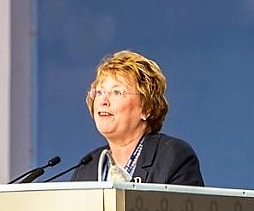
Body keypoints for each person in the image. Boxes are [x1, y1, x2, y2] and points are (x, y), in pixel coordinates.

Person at [71, 49, 204, 185]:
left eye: (117, 92)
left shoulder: (173, 157)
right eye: (99, 92)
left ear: (147, 108)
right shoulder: (86, 168)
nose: (103, 101)